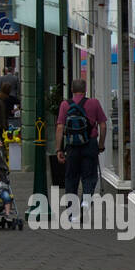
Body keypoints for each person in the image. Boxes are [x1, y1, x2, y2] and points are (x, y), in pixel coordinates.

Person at [55, 79, 109, 215]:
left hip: (72, 145)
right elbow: (103, 125)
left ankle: (72, 213)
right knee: (89, 176)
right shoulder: (94, 103)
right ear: (85, 90)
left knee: (71, 177)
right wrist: (101, 144)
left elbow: (60, 127)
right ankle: (85, 202)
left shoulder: (65, 105)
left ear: (72, 90)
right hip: (90, 144)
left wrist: (59, 149)